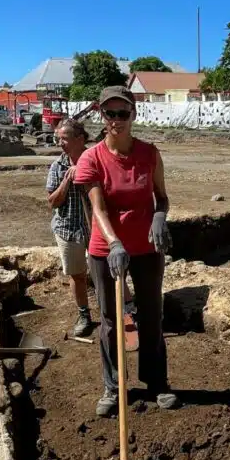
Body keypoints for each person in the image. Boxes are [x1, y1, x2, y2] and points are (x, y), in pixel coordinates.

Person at [74, 86, 175, 416]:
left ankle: (156, 382)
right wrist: (114, 243)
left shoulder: (150, 154)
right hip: (106, 250)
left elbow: (161, 196)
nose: (116, 120)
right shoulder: (92, 158)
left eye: (123, 113)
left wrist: (160, 215)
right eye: (109, 113)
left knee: (151, 314)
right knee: (109, 319)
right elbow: (98, 208)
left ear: (133, 115)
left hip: (147, 248)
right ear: (101, 116)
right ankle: (113, 385)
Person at [45, 118, 93, 337]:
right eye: (58, 139)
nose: (60, 143)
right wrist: (67, 180)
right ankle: (84, 315)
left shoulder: (95, 161)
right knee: (77, 275)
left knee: (107, 273)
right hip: (67, 228)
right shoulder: (57, 166)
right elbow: (52, 202)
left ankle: (120, 312)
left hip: (95, 229)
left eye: (64, 138)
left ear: (80, 139)